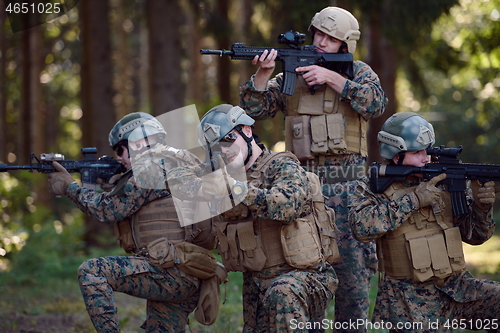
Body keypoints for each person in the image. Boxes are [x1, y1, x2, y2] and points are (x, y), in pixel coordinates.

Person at [239, 6, 388, 330]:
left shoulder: (358, 71)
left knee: (352, 285)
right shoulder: (291, 74)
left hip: (348, 193)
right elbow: (254, 110)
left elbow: (375, 103)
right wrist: (263, 74)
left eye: (330, 38)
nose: (321, 41)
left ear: (344, 44)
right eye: (318, 34)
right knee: (301, 270)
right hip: (302, 192)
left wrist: (333, 79)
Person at [47, 112, 226, 333]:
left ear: (139, 142)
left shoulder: (150, 168)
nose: (119, 158)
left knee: (92, 271)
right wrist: (115, 186)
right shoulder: (175, 159)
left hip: (171, 272)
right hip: (190, 269)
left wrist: (69, 187)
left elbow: (106, 210)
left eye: (120, 150)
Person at [167, 104, 338, 332]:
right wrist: (202, 171)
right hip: (257, 284)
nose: (224, 150)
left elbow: (289, 206)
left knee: (282, 293)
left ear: (247, 131)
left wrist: (238, 189)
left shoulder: (281, 165)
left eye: (228, 139)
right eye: (216, 147)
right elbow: (178, 182)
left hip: (304, 278)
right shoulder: (221, 174)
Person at [348, 112, 500, 332]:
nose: (426, 158)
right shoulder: (372, 186)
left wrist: (482, 207)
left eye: (427, 150)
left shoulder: (444, 180)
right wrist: (414, 200)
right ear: (395, 153)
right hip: (408, 299)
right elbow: (361, 227)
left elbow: (476, 236)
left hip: (457, 288)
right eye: (417, 152)